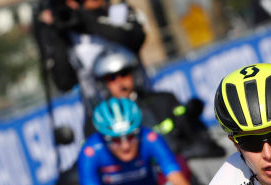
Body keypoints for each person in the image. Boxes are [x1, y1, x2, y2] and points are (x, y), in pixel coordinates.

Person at [92, 45, 225, 159]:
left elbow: (197, 138)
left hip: (175, 170)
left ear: (134, 74)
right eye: (112, 78)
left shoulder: (163, 100)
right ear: (103, 84)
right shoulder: (98, 119)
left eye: (124, 73)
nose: (120, 81)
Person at [34, 0, 146, 113]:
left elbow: (136, 38)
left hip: (140, 103)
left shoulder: (117, 11)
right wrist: (53, 34)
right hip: (99, 113)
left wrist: (85, 18)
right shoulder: (67, 31)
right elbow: (64, 83)